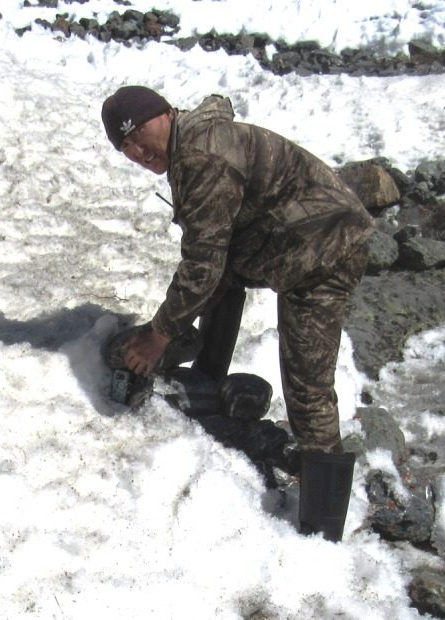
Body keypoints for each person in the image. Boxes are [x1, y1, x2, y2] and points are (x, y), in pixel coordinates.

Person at [100, 85, 374, 542]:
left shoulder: (203, 157)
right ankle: (209, 386)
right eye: (124, 147)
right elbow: (215, 264)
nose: (135, 151)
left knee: (307, 384)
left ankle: (323, 532)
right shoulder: (187, 147)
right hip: (285, 241)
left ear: (165, 114)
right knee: (223, 286)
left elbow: (203, 264)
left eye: (137, 135)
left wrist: (159, 336)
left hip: (324, 249)